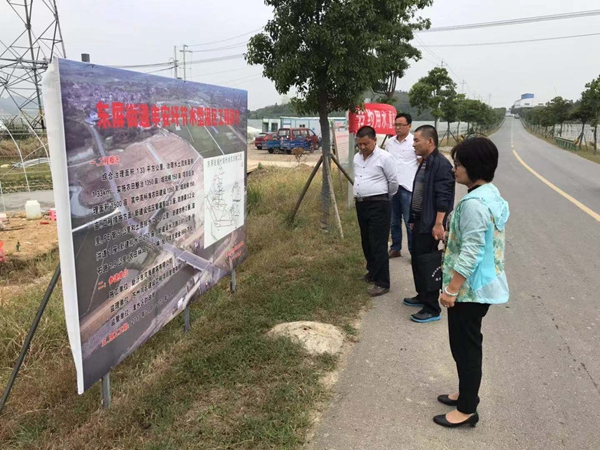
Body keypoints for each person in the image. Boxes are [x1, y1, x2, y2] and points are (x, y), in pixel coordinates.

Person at [433, 137, 510, 428]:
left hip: (468, 290)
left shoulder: (475, 204)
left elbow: (472, 251)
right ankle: (465, 393)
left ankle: (467, 409)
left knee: (465, 348)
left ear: (474, 166)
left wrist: (451, 290)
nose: (455, 170)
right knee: (466, 345)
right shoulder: (490, 194)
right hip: (480, 286)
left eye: (459, 164)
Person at [404, 125, 455, 323]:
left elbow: (444, 197)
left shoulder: (441, 164)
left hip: (430, 224)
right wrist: (412, 219)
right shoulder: (426, 162)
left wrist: (438, 224)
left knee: (428, 263)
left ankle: (432, 308)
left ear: (430, 141)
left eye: (416, 140)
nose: (413, 144)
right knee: (417, 259)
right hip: (419, 221)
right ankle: (422, 295)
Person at [354, 125, 399, 297]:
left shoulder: (385, 158)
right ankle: (372, 273)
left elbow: (393, 182)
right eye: (360, 144)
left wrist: (383, 196)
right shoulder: (356, 158)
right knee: (366, 240)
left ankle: (382, 282)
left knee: (378, 243)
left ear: (375, 140)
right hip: (361, 203)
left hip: (379, 203)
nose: (363, 148)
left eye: (366, 144)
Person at [385, 113, 418, 258]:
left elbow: (421, 161)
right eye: (396, 125)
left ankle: (413, 251)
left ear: (409, 126)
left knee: (409, 222)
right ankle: (396, 247)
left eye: (401, 125)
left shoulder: (414, 142)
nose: (397, 128)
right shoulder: (389, 143)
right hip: (392, 187)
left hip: (408, 187)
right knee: (393, 220)